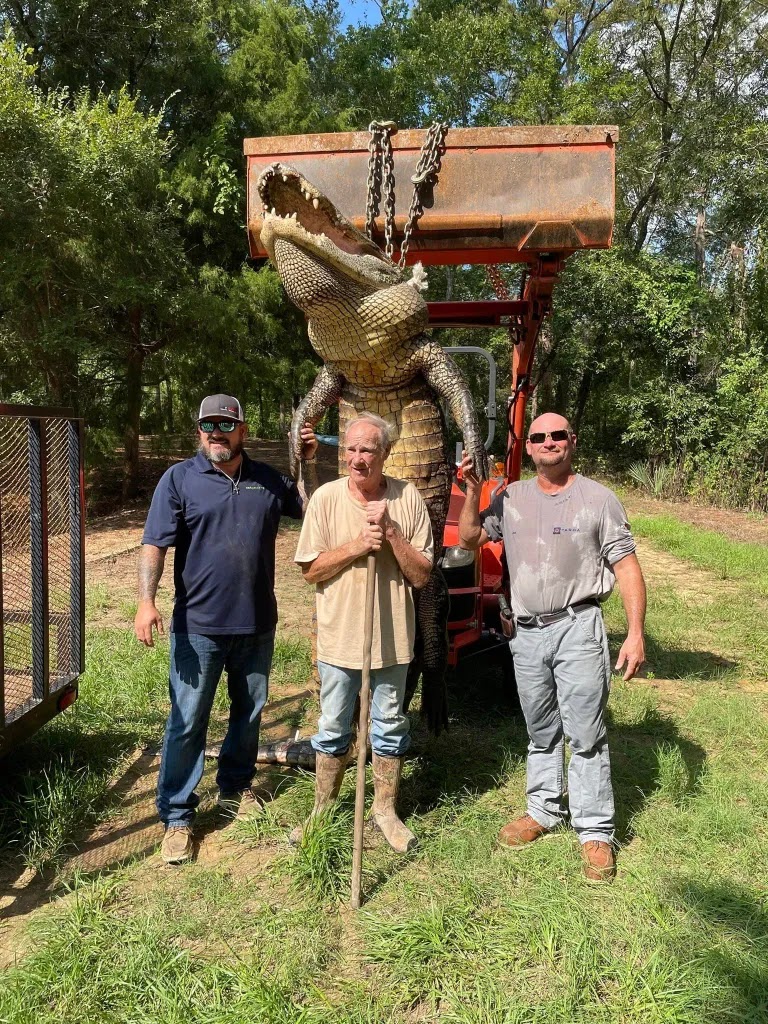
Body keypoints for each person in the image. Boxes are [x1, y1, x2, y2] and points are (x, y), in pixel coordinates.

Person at [458, 412, 646, 882]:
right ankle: (542, 810)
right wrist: (469, 491)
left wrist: (637, 633)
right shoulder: (511, 498)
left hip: (577, 627)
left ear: (572, 442)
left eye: (556, 435)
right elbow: (468, 537)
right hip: (525, 633)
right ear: (531, 447)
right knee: (541, 729)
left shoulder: (598, 500)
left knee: (585, 732)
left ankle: (594, 831)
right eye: (538, 437)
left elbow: (625, 567)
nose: (547, 442)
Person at [135, 394, 318, 865]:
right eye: (207, 426)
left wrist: (305, 463)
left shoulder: (267, 480)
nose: (216, 433)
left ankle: (235, 789)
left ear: (242, 430)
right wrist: (145, 601)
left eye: (225, 425)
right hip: (197, 626)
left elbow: (313, 510)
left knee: (249, 712)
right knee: (188, 719)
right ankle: (177, 816)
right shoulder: (178, 479)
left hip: (257, 623)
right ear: (199, 432)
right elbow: (155, 543)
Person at [292, 412, 433, 853]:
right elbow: (310, 570)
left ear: (385, 454)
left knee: (388, 728)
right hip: (340, 639)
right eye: (351, 448)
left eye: (367, 449)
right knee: (333, 727)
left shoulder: (407, 499)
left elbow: (423, 575)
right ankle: (323, 808)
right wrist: (358, 545)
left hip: (391, 642)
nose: (357, 458)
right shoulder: (326, 500)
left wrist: (390, 533)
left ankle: (384, 811)